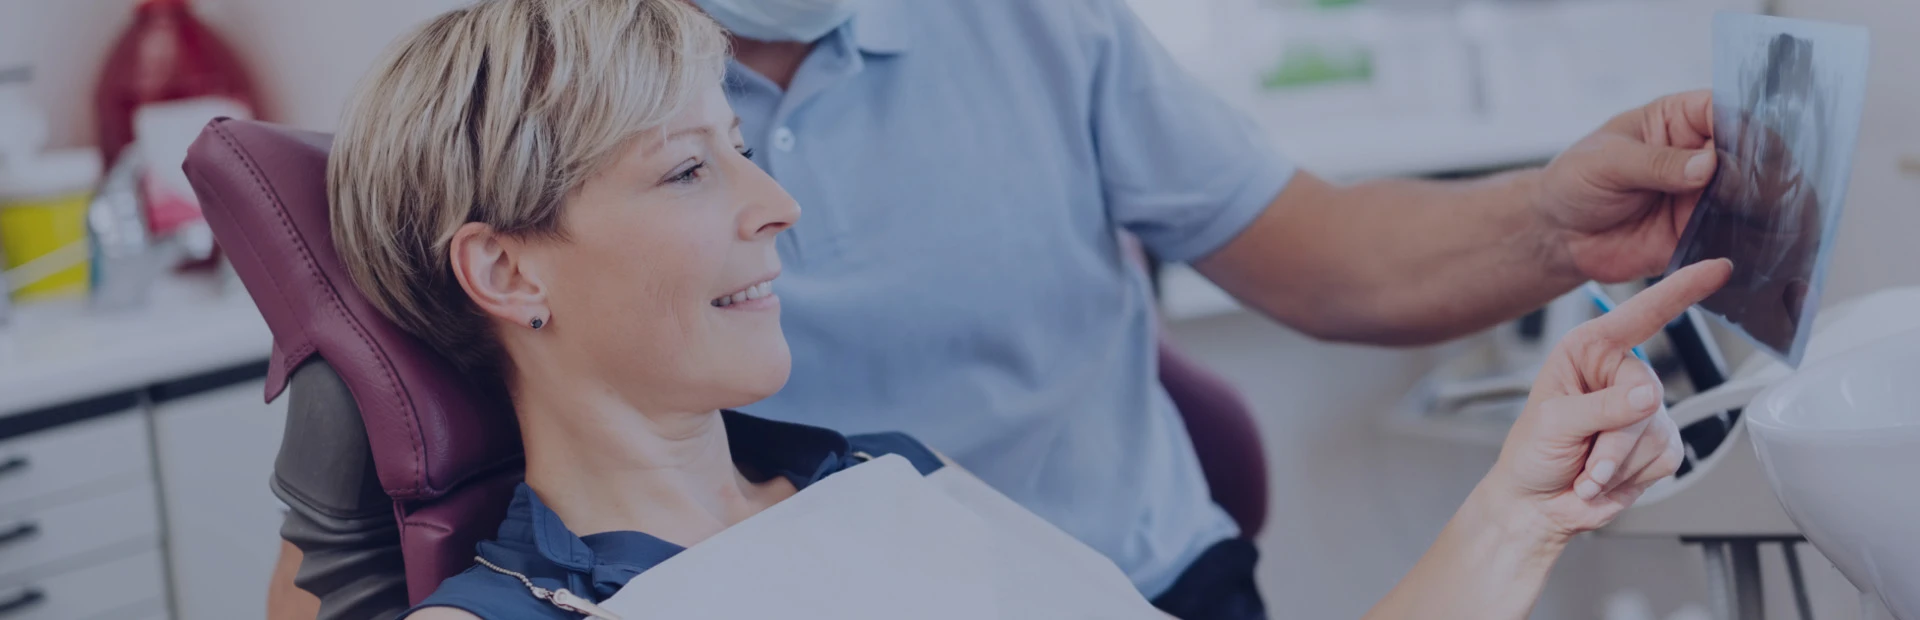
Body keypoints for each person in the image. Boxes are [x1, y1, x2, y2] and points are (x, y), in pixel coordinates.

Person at [269, 0, 1729, 617]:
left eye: (740, 149)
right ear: (509, 270)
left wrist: (1521, 508)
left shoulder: (890, 486)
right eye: (691, 164)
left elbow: (1332, 255)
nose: (780, 205)